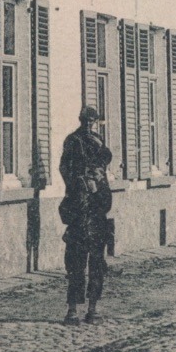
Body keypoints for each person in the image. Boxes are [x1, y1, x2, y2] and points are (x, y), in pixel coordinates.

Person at [59, 105, 114, 324]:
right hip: (79, 212)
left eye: (92, 121)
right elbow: (64, 168)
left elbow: (105, 161)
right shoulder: (73, 141)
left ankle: (93, 308)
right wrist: (79, 182)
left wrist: (97, 183)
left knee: (97, 264)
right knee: (75, 264)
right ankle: (72, 310)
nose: (89, 125)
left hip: (98, 213)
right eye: (86, 121)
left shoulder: (98, 142)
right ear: (81, 120)